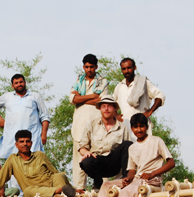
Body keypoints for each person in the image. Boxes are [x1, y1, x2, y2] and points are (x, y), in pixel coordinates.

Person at [79, 113, 175, 197]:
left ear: (146, 127)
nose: (139, 130)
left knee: (126, 192)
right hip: (137, 179)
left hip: (152, 181)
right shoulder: (132, 147)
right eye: (135, 127)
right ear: (132, 129)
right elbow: (131, 170)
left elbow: (171, 163)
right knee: (107, 185)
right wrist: (127, 179)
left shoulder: (156, 141)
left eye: (141, 126)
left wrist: (152, 174)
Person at [0, 130, 76, 197]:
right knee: (27, 192)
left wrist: (73, 188)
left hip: (49, 186)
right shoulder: (13, 159)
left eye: (27, 141)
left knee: (59, 175)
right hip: (35, 192)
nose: (25, 144)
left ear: (31, 143)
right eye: (21, 142)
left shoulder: (40, 155)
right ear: (16, 144)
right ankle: (58, 192)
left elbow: (55, 172)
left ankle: (58, 195)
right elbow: (0, 179)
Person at [69, 54, 108, 190]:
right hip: (79, 125)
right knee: (79, 157)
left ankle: (102, 189)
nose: (89, 69)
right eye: (86, 67)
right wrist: (92, 96)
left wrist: (81, 98)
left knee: (100, 156)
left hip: (97, 124)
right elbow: (73, 99)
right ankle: (79, 190)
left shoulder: (102, 82)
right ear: (83, 67)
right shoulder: (78, 82)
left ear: (96, 67)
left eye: (92, 67)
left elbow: (102, 101)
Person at [79, 95, 132, 190]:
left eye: (109, 106)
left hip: (114, 162)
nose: (106, 109)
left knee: (127, 145)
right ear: (100, 108)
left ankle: (126, 180)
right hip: (97, 160)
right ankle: (97, 181)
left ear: (115, 108)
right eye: (103, 106)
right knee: (86, 162)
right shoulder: (91, 125)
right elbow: (82, 148)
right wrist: (87, 153)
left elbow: (129, 152)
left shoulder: (122, 127)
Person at [0, 74, 50, 159]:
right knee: (13, 163)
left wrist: (44, 134)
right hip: (12, 138)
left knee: (33, 163)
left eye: (21, 82)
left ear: (25, 82)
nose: (19, 84)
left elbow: (45, 116)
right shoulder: (7, 96)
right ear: (12, 85)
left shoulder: (35, 96)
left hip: (32, 138)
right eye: (16, 83)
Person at [113, 58, 165, 136]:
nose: (126, 71)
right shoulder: (119, 87)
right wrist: (116, 115)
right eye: (124, 69)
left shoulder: (143, 83)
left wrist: (150, 112)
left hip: (142, 126)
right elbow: (111, 104)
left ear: (135, 68)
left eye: (129, 68)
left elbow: (160, 95)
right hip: (125, 127)